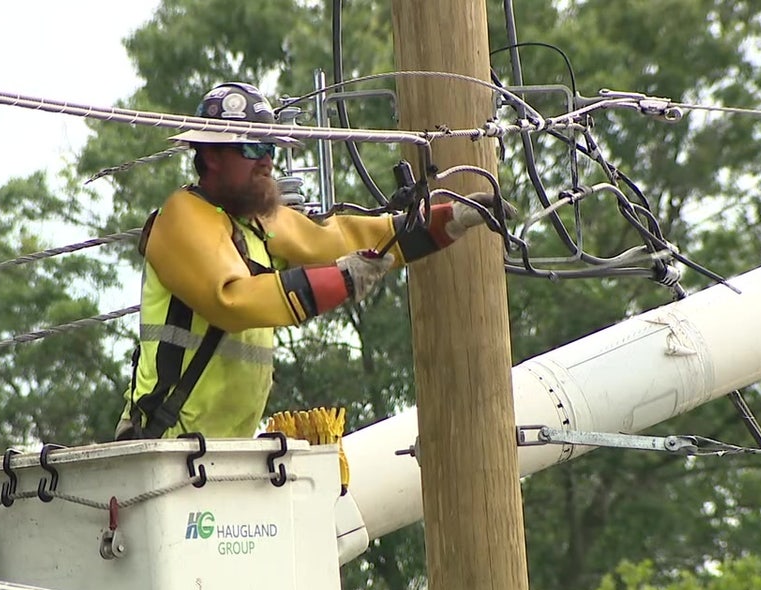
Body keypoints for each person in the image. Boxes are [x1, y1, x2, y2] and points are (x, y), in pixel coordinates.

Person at [115, 81, 501, 441]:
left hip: (222, 450)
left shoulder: (255, 221)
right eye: (253, 148)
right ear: (211, 155)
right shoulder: (182, 218)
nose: (266, 161)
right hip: (165, 443)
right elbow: (231, 299)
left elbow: (339, 240)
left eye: (271, 148)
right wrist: (343, 280)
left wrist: (448, 219)